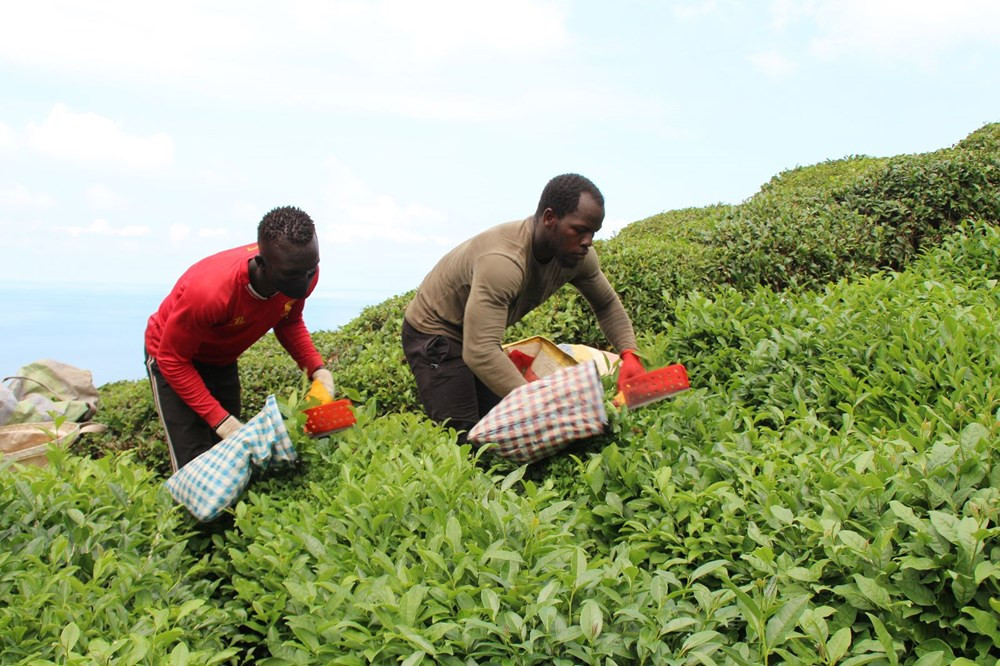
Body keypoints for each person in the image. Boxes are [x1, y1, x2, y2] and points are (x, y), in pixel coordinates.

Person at [402, 173, 645, 437]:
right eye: (578, 230)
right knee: (464, 437)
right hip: (436, 333)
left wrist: (629, 354)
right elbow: (480, 351)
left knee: (501, 427)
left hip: (479, 338)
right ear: (550, 218)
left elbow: (606, 304)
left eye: (592, 232)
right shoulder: (503, 262)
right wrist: (540, 403)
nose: (587, 241)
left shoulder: (579, 256)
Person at [145, 206, 335, 472]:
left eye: (312, 268)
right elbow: (172, 358)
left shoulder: (301, 269)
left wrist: (318, 370)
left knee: (231, 457)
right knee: (195, 465)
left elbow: (288, 320)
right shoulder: (210, 293)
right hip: (173, 357)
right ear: (262, 265)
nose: (306, 281)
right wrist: (222, 422)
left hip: (221, 358)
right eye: (294, 274)